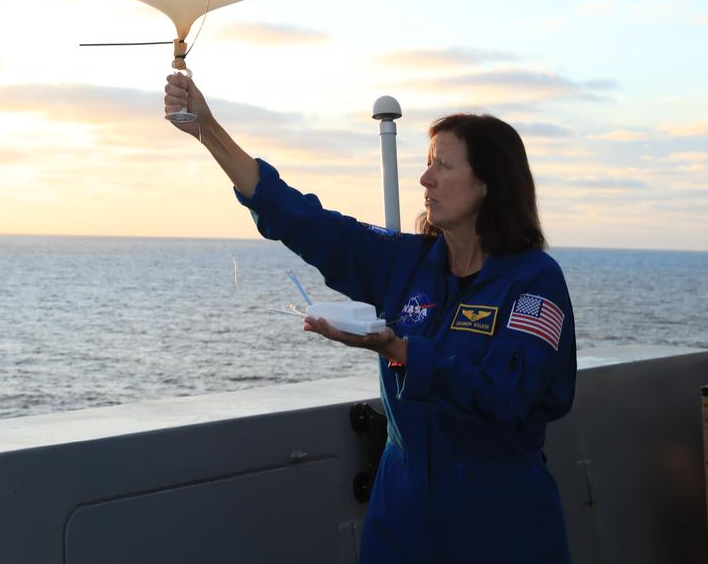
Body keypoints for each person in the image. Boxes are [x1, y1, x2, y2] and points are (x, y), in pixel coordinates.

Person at [163, 74, 576, 564]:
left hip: (498, 525)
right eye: (427, 165)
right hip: (400, 521)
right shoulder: (408, 263)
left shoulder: (534, 284)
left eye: (442, 166)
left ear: (487, 185)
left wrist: (398, 350)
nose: (425, 179)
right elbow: (304, 220)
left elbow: (509, 398)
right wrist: (208, 128)